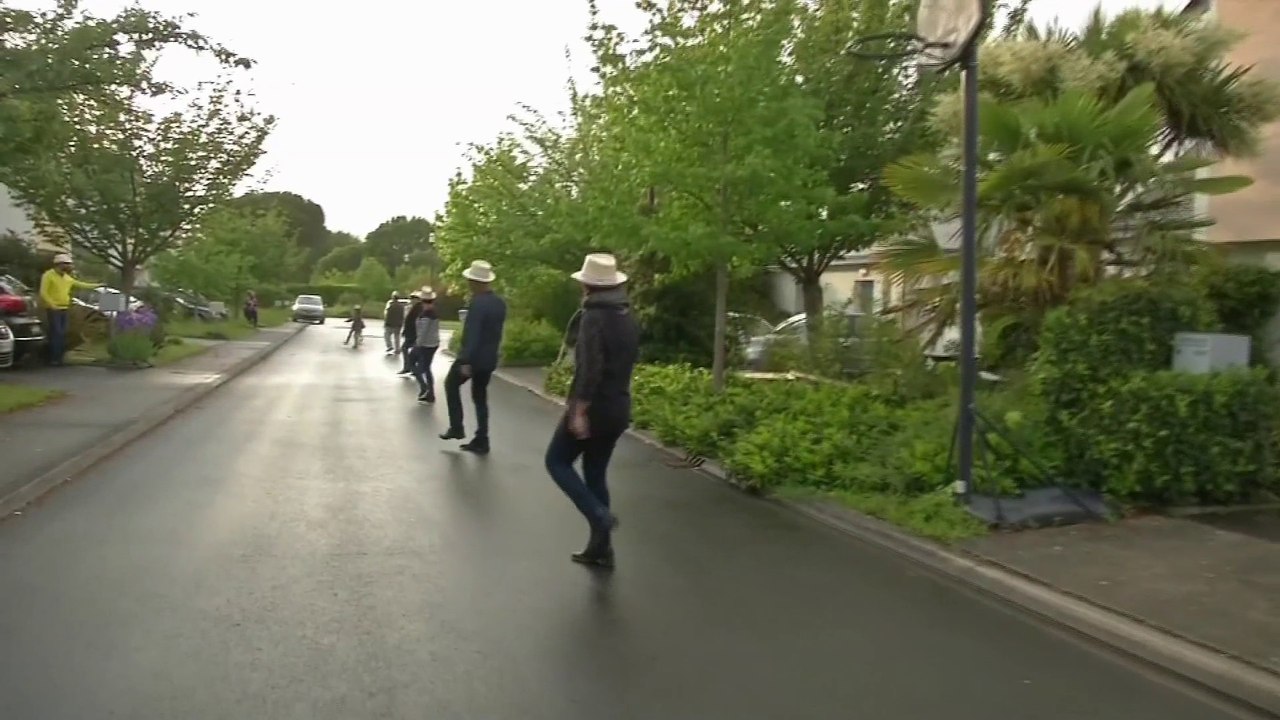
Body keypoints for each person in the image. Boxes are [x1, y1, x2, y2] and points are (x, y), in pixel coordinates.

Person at [544, 253, 639, 569]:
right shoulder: (626, 316)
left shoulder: (593, 318)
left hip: (595, 407)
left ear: (587, 285)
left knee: (556, 461)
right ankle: (601, 550)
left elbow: (590, 368)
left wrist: (579, 410)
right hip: (618, 407)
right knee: (595, 473)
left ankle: (599, 517)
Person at [439, 260, 506, 455]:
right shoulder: (499, 303)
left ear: (475, 282)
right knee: (480, 397)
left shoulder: (477, 304)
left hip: (473, 357)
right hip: (489, 358)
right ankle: (482, 439)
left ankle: (457, 427)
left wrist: (466, 360)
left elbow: (473, 333)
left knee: (451, 385)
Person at [38, 253, 97, 366]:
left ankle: (59, 358)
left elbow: (81, 284)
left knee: (63, 333)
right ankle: (54, 359)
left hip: (64, 309)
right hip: (53, 309)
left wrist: (96, 285)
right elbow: (43, 292)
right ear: (59, 264)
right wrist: (51, 304)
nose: (68, 267)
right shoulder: (48, 275)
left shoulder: (66, 277)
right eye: (66, 264)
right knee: (57, 333)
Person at [410, 287, 441, 403]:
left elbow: (424, 331)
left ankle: (425, 388)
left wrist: (418, 344)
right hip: (432, 343)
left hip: (425, 344)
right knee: (426, 368)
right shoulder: (433, 311)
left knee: (414, 363)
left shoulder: (427, 313)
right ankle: (429, 392)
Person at [398, 289, 423, 375]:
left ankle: (413, 367)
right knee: (406, 349)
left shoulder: (420, 308)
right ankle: (409, 367)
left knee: (414, 351)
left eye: (414, 298)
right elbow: (407, 321)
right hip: (410, 333)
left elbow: (417, 322)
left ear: (418, 299)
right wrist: (404, 331)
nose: (412, 300)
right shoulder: (411, 308)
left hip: (415, 334)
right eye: (411, 298)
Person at [383, 291, 405, 355]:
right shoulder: (401, 306)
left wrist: (386, 322)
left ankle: (389, 346)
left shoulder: (390, 305)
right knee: (397, 337)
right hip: (398, 324)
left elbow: (387, 314)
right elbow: (402, 316)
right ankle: (397, 349)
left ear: (393, 297)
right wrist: (401, 323)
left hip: (390, 323)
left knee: (387, 335)